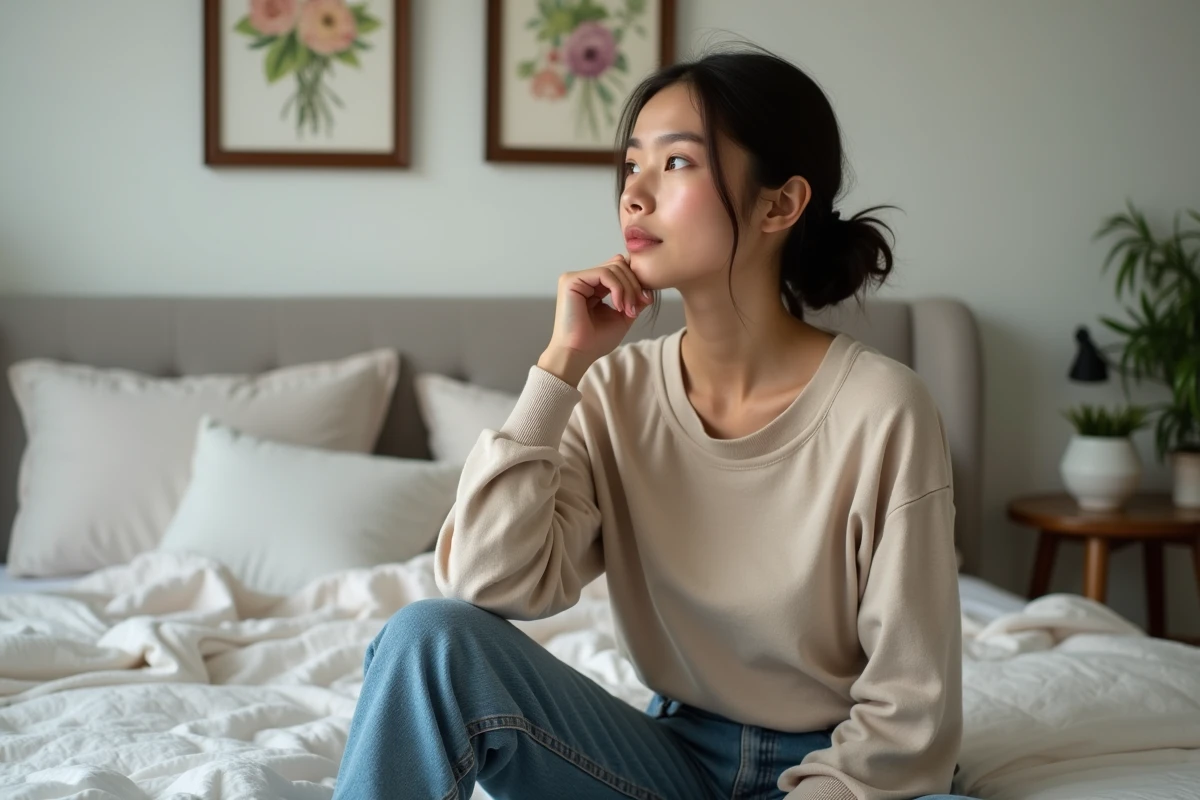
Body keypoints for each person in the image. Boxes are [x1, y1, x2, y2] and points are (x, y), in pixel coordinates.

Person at [333, 45, 970, 800]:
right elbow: (488, 580)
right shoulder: (613, 392)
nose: (634, 193)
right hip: (670, 762)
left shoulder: (883, 409)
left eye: (675, 164)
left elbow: (911, 712)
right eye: (631, 164)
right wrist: (561, 364)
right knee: (424, 641)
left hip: (845, 772)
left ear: (780, 204)